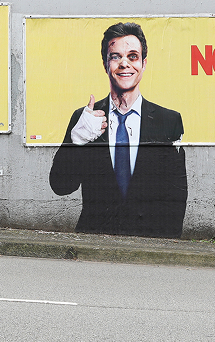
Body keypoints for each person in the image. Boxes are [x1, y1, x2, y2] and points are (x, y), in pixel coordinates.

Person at [49, 22, 187, 237]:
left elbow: (176, 197)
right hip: (94, 241)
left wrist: (165, 246)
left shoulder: (168, 120)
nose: (124, 63)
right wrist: (76, 143)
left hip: (149, 242)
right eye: (115, 56)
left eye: (133, 56)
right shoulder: (86, 118)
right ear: (106, 64)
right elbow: (61, 186)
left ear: (143, 64)